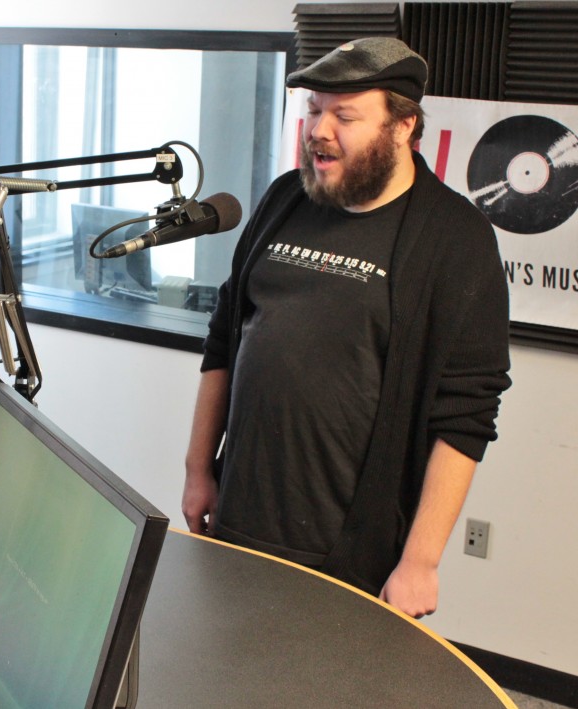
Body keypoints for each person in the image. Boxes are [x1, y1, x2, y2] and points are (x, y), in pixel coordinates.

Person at [181, 37, 511, 619]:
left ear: (403, 126)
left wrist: (421, 562)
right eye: (314, 110)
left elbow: (466, 415)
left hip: (350, 552)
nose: (318, 130)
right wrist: (197, 470)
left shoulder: (456, 239)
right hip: (236, 516)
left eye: (344, 115)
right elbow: (224, 340)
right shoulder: (285, 198)